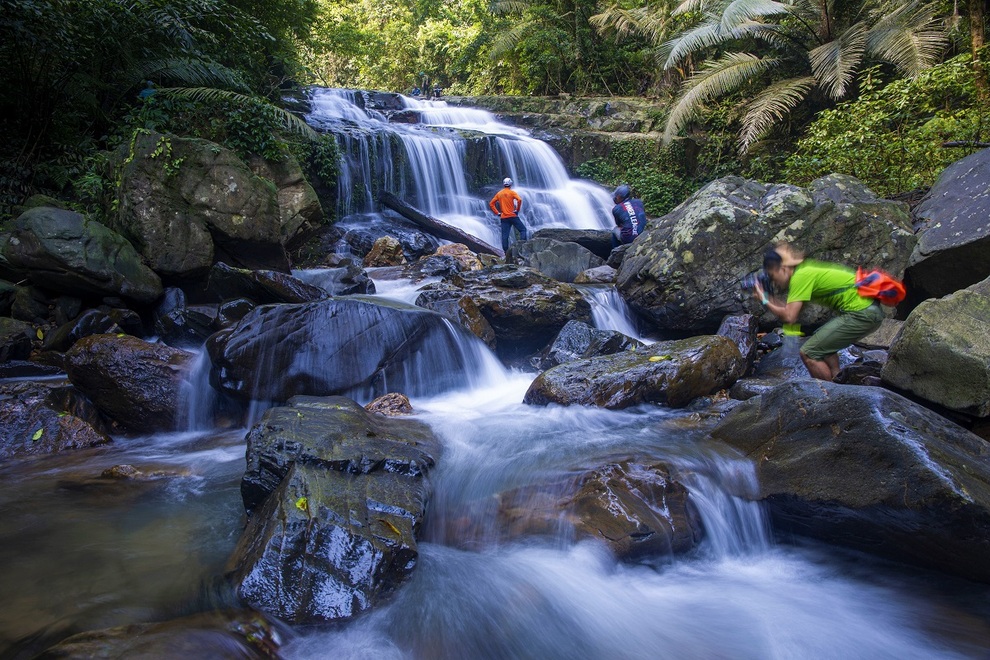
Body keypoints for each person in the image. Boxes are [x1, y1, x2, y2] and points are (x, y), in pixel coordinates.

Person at [752, 242, 884, 381]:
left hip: (861, 313)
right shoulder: (805, 270)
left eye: (773, 276)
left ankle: (827, 393)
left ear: (783, 269)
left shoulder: (800, 276)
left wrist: (765, 299)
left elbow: (789, 316)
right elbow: (791, 313)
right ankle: (837, 380)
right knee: (822, 342)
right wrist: (769, 298)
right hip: (869, 311)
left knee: (809, 353)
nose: (775, 282)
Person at [489, 177, 528, 252]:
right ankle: (522, 246)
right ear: (510, 184)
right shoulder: (512, 192)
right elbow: (519, 200)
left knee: (505, 236)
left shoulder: (499, 194)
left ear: (504, 185)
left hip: (504, 217)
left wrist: (497, 213)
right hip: (513, 216)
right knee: (523, 230)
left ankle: (506, 252)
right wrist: (517, 210)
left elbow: (491, 204)